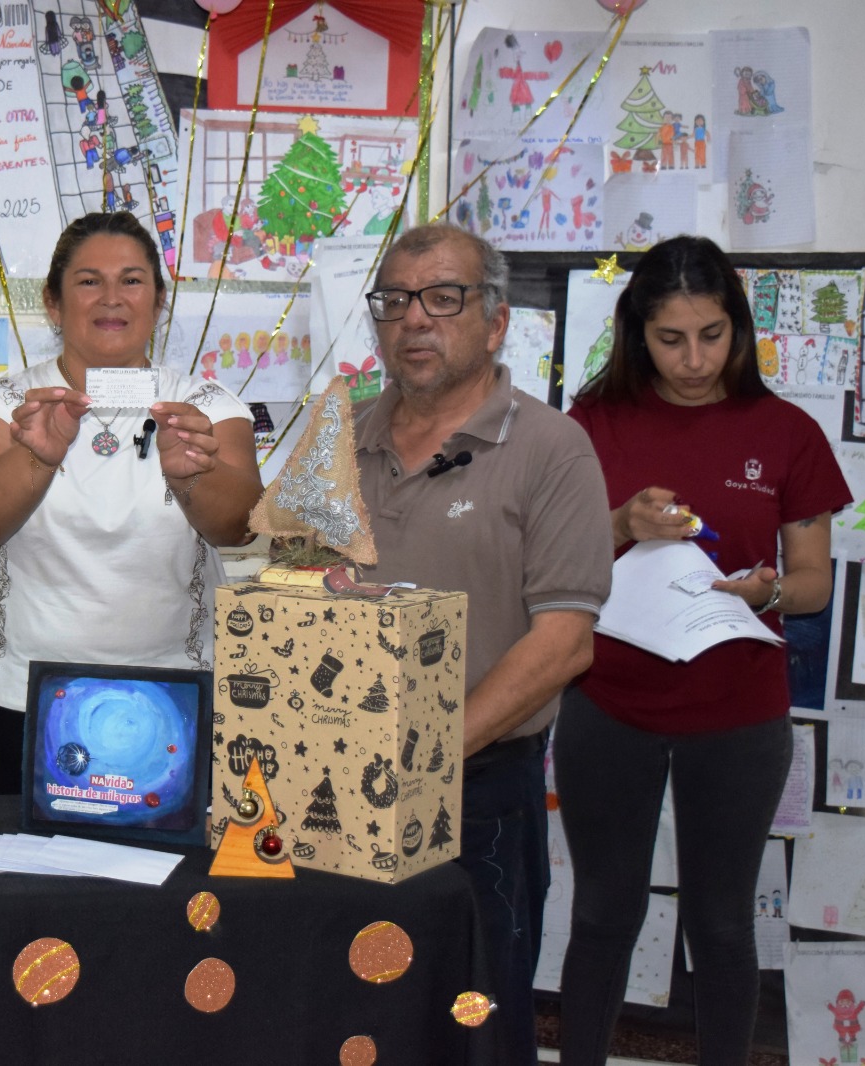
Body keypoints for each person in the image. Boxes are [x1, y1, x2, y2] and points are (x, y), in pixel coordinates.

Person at [556, 236, 850, 1064]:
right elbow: (547, 562)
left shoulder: (787, 431)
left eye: (713, 335)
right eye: (670, 339)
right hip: (608, 704)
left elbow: (816, 584)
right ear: (636, 333)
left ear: (741, 329)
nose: (693, 359)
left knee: (721, 922)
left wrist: (767, 592)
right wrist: (619, 526)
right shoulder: (592, 423)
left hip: (738, 712)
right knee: (603, 913)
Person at [351, 223, 613, 1062]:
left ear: (495, 322)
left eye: (443, 297)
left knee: (474, 1024)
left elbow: (566, 642)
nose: (414, 319)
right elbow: (292, 592)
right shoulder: (338, 438)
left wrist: (430, 754)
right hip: (338, 786)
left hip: (476, 792)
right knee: (349, 1014)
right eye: (394, 300)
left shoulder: (551, 449)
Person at [0, 211, 262, 795]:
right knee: (31, 871)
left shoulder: (206, 405)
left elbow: (239, 527)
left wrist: (191, 475)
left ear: (158, 300)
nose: (111, 298)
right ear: (54, 302)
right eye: (89, 280)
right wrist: (37, 456)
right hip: (23, 696)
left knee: (163, 880)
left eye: (132, 280)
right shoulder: (0, 405)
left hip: (173, 695)